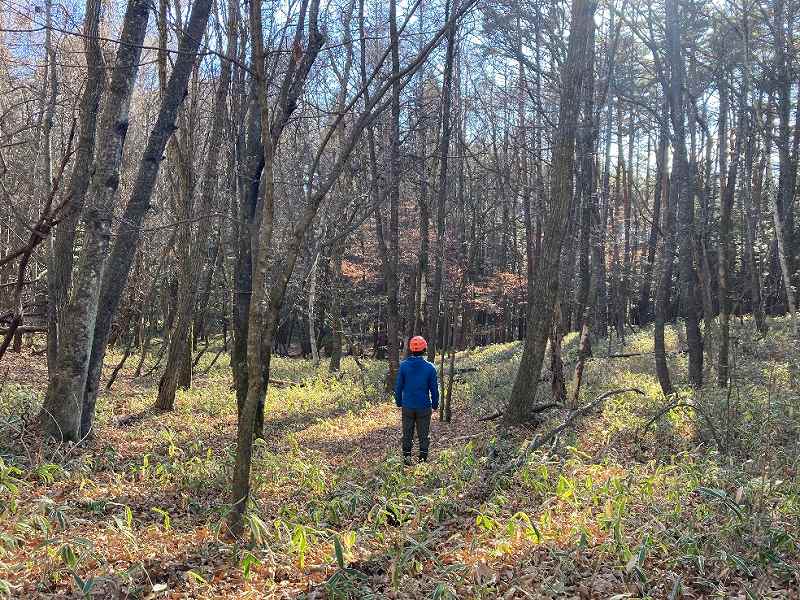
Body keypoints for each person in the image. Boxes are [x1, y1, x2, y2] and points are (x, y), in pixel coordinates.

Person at [394, 336, 439, 465]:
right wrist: (435, 404)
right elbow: (434, 389)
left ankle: (406, 460)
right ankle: (422, 462)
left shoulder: (404, 366)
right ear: (425, 349)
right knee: (424, 435)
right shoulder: (430, 368)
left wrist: (399, 402)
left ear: (411, 350)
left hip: (408, 406)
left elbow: (398, 387)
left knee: (407, 434)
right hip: (424, 407)